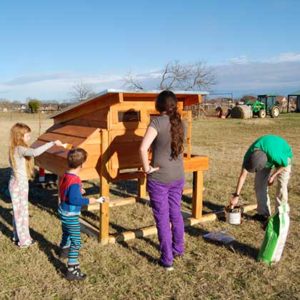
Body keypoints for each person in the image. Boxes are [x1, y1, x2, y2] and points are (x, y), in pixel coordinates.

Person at [139, 90, 185, 271]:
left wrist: (146, 169)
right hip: (178, 176)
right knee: (176, 213)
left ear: (159, 106)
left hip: (159, 178)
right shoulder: (182, 123)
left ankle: (167, 259)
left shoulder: (157, 122)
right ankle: (178, 249)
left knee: (162, 218)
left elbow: (142, 148)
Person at [8, 122, 63, 248]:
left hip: (15, 184)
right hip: (19, 185)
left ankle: (17, 237)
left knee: (18, 212)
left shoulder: (14, 148)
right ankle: (24, 241)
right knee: (22, 213)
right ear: (19, 136)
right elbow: (35, 152)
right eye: (27, 136)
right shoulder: (20, 149)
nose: (29, 138)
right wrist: (52, 143)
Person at [230, 135, 293, 222]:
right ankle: (263, 214)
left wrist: (273, 176)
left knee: (281, 187)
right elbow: (243, 175)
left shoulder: (275, 155)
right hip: (266, 153)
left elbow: (285, 164)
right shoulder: (249, 156)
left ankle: (280, 217)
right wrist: (236, 195)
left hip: (283, 156)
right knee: (259, 184)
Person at [58, 148, 98, 281]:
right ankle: (71, 270)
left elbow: (66, 189)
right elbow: (75, 199)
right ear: (82, 164)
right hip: (71, 214)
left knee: (66, 233)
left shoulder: (66, 174)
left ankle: (64, 250)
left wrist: (78, 190)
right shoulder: (75, 180)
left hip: (63, 211)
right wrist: (90, 200)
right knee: (76, 242)